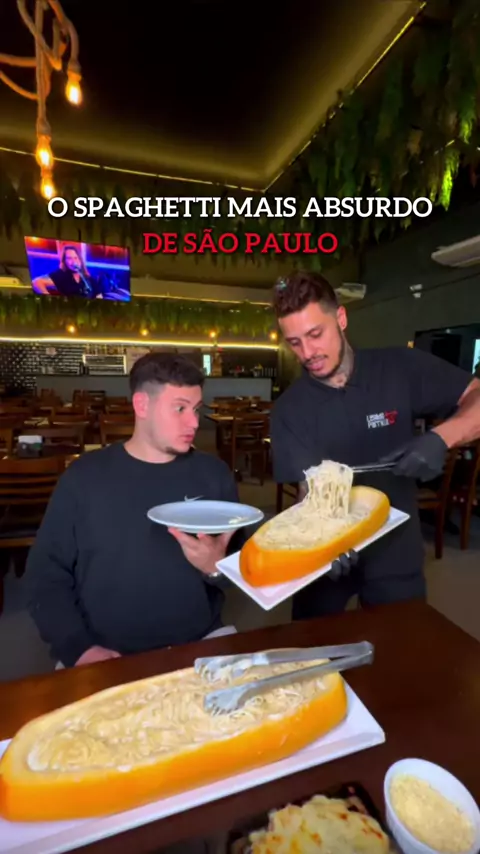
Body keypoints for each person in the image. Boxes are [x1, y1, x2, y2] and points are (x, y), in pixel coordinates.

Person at [270, 270, 480, 620]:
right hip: (329, 559)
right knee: (315, 647)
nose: (307, 352)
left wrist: (441, 438)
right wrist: (318, 538)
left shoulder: (399, 367)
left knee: (402, 646)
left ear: (341, 318)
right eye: (294, 342)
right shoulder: (289, 410)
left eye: (315, 334)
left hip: (395, 550)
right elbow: (307, 493)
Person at [25, 352, 246, 668]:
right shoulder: (83, 478)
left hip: (198, 641)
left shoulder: (214, 475)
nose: (195, 422)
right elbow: (45, 576)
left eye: (196, 409)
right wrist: (79, 648)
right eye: (180, 408)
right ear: (142, 406)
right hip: (100, 650)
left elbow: (243, 569)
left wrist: (215, 568)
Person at [32, 245, 103, 298]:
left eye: (76, 258)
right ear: (64, 261)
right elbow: (36, 283)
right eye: (69, 258)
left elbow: (99, 295)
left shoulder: (89, 278)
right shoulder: (61, 275)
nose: (74, 262)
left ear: (80, 259)